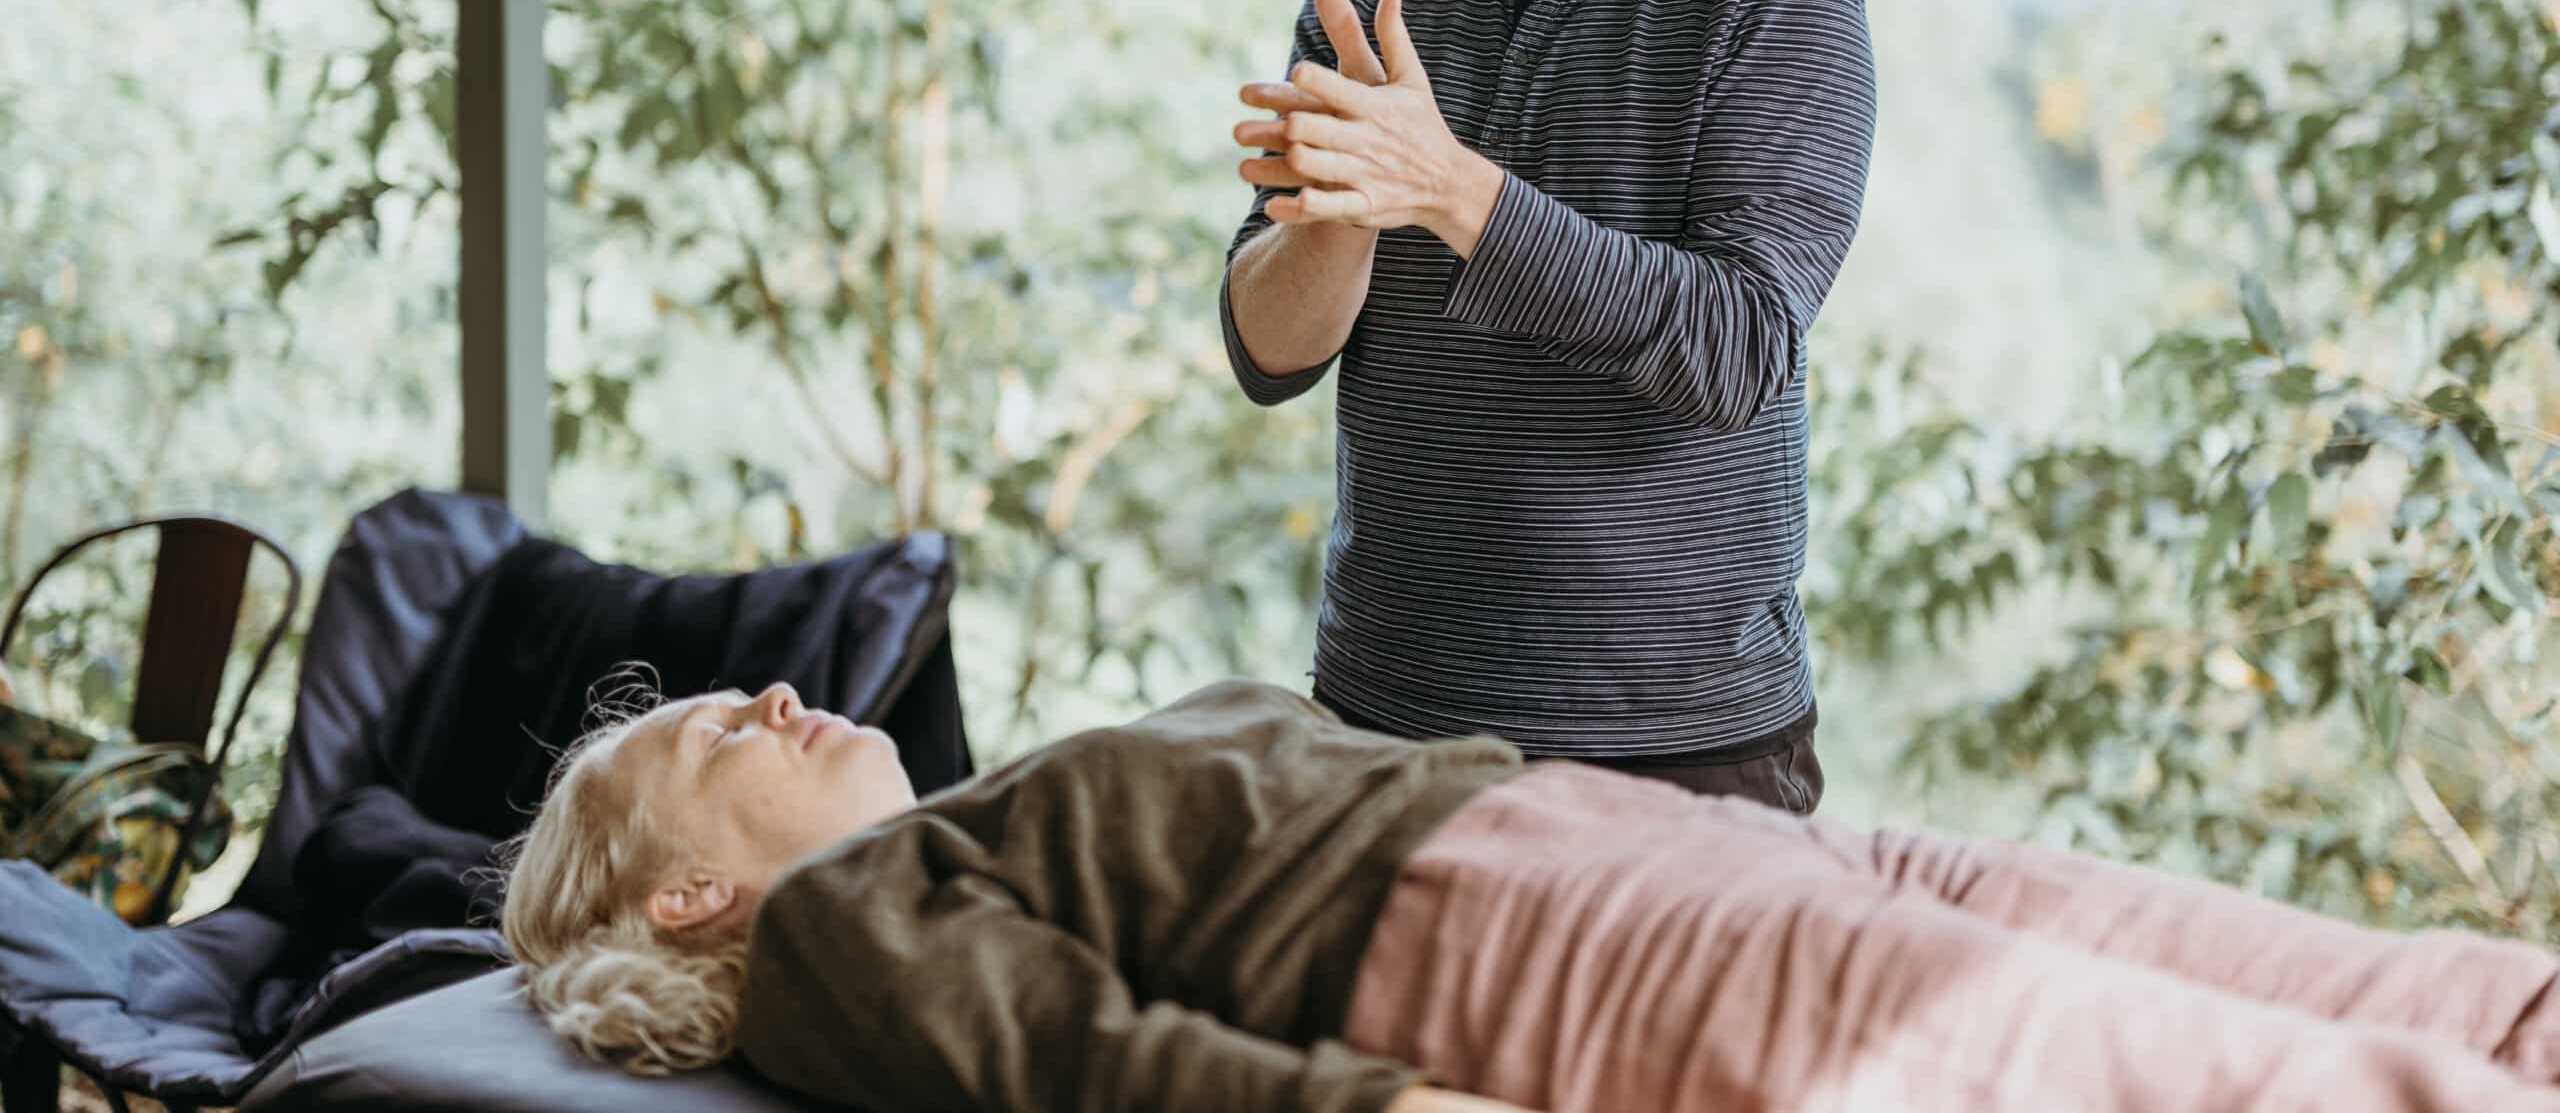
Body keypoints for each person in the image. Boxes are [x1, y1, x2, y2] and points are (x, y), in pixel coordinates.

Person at [502, 677, 2560, 1112]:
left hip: (1683, 850)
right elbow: (1078, 1066)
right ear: (689, 893)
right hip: (1520, 934)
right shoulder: (850, 924)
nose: (775, 691)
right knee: (2254, 1084)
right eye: (712, 729)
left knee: (2413, 990)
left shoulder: (962, 818)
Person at [1219, 0, 1876, 812]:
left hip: (1680, 748)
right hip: (1381, 727)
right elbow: (1267, 357)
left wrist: (1447, 189)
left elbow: (1735, 349)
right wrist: (1341, 219)